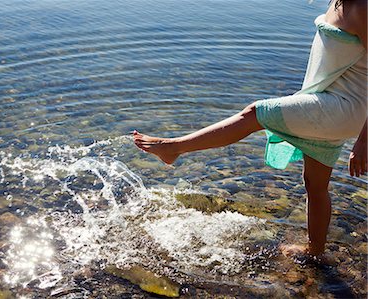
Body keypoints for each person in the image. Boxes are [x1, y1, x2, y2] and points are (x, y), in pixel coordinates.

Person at [133, 0, 367, 257]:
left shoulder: (363, 8)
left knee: (256, 113)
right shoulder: (342, 2)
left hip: (345, 107)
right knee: (315, 183)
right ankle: (315, 254)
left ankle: (173, 148)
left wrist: (363, 141)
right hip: (328, 98)